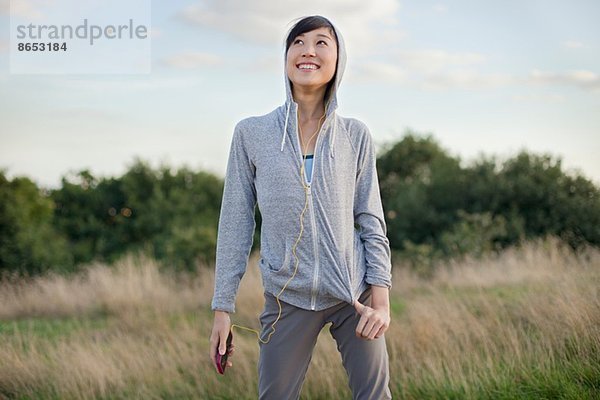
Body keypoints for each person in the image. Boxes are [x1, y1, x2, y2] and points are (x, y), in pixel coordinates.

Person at [209, 15, 393, 400]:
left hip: (353, 295)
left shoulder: (355, 135)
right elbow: (235, 223)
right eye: (298, 42)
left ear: (338, 59)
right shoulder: (251, 133)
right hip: (286, 297)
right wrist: (222, 309)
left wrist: (381, 304)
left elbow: (371, 221)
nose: (308, 50)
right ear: (287, 57)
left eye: (322, 42)